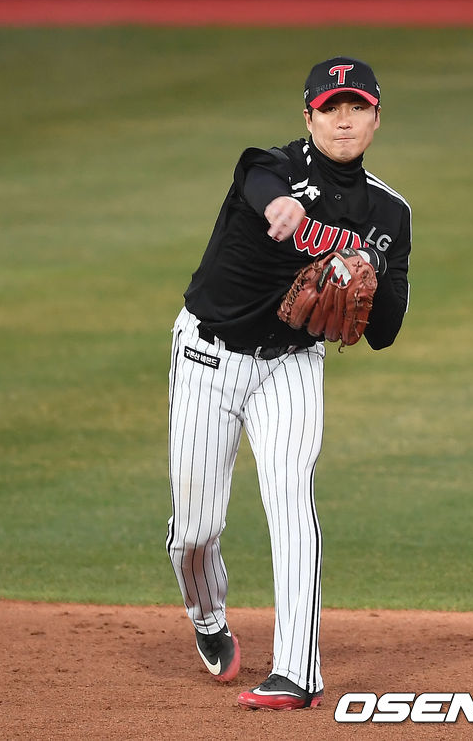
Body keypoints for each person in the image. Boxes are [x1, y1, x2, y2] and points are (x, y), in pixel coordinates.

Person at [166, 56, 411, 710]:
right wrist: (281, 206)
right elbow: (260, 182)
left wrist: (369, 271)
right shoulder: (271, 167)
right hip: (209, 357)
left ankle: (297, 673)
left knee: (290, 498)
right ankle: (208, 616)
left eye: (357, 107)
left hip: (291, 364)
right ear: (309, 118)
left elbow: (385, 331)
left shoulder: (389, 213)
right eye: (330, 109)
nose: (344, 120)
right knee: (194, 531)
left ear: (376, 118)